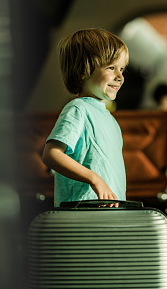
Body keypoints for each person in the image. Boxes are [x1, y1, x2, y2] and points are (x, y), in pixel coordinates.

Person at [42, 28, 129, 207]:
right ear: (83, 70)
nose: (120, 77)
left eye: (122, 69)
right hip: (82, 213)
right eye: (111, 68)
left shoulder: (109, 118)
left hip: (105, 214)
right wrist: (94, 179)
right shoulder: (78, 109)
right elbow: (51, 154)